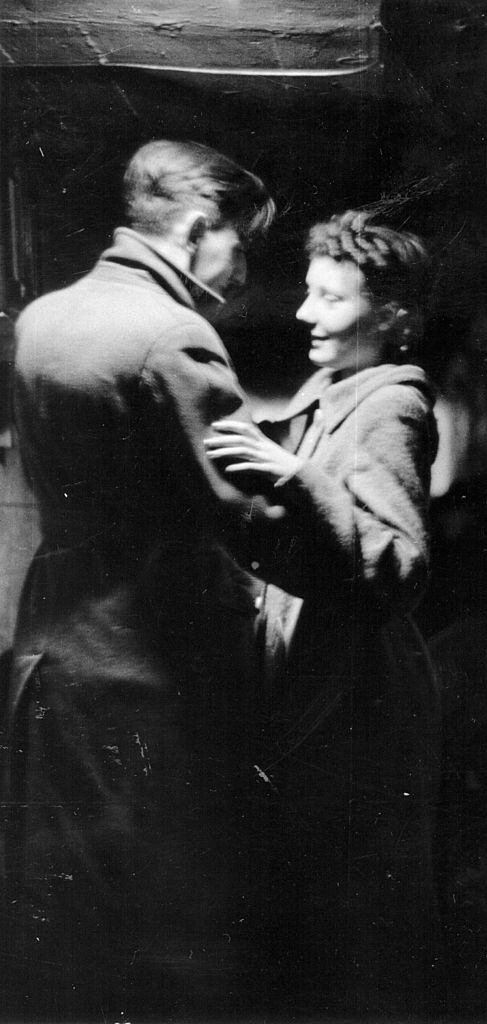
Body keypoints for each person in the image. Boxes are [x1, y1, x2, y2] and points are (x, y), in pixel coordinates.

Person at [0, 139, 280, 1020]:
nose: (240, 272)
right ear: (200, 227)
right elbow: (241, 509)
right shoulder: (173, 332)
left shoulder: (42, 317)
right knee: (178, 917)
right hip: (151, 660)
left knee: (73, 910)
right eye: (240, 244)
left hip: (54, 643)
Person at [204, 210, 445, 1018]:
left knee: (354, 918)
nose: (305, 313)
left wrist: (295, 477)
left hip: (358, 691)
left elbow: (398, 566)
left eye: (331, 298)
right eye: (308, 293)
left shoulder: (393, 408)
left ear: (393, 319)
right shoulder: (333, 392)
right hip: (321, 674)